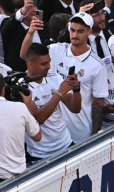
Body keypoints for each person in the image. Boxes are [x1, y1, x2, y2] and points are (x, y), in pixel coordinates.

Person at [41, 12, 109, 143]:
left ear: (89, 31)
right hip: (55, 134)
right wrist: (31, 33)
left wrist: (95, 135)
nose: (75, 35)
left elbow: (98, 102)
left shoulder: (98, 65)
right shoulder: (55, 50)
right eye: (72, 30)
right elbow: (25, 56)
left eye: (80, 31)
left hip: (80, 133)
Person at [23, 43, 80, 162]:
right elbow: (39, 118)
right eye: (44, 64)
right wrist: (59, 93)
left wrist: (76, 90)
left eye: (49, 62)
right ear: (30, 64)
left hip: (66, 144)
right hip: (41, 154)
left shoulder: (53, 76)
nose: (48, 67)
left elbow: (75, 108)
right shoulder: (22, 86)